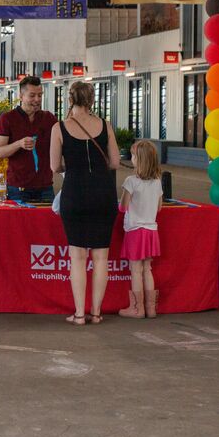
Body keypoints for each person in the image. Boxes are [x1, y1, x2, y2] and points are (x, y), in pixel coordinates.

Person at [49, 81, 120, 326]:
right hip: (103, 195)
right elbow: (114, 162)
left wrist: (73, 164)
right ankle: (97, 313)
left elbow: (54, 166)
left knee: (77, 257)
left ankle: (79, 313)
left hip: (75, 195)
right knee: (101, 257)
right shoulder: (106, 126)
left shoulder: (59, 128)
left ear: (70, 100)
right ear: (92, 100)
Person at [117, 140, 163, 319]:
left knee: (135, 270)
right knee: (147, 269)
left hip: (135, 230)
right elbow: (159, 208)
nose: (132, 158)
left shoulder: (131, 181)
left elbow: (122, 207)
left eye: (134, 156)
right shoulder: (157, 182)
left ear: (140, 160)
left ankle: (137, 308)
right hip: (151, 230)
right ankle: (151, 308)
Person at [0, 76, 58, 202]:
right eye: (32, 95)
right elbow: (0, 152)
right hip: (18, 189)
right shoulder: (7, 118)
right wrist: (18, 144)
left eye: (40, 95)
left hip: (45, 187)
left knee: (47, 222)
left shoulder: (49, 118)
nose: (37, 99)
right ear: (21, 95)